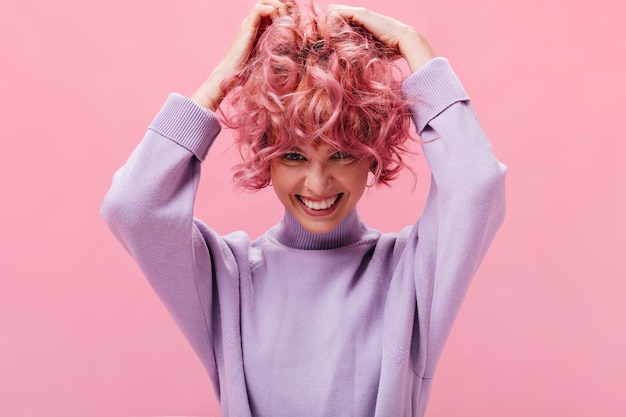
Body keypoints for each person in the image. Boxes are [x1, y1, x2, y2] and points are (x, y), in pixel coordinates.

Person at [101, 0, 506, 415]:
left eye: (342, 155)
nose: (317, 183)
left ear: (373, 156)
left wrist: (417, 50)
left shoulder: (411, 276)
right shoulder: (230, 279)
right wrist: (223, 78)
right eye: (294, 157)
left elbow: (477, 185)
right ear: (267, 157)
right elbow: (133, 207)